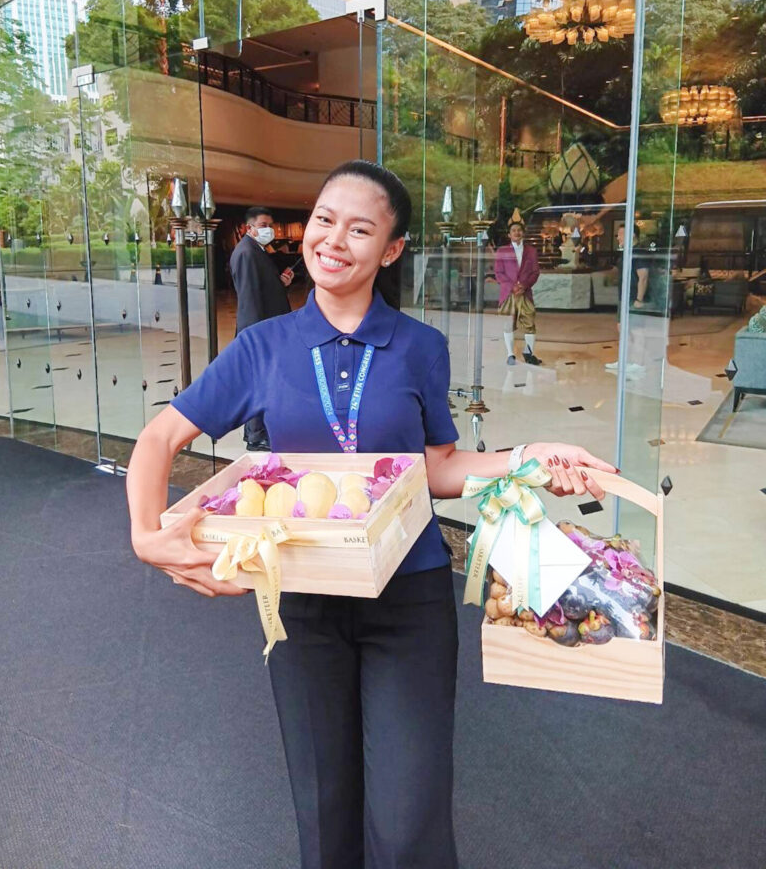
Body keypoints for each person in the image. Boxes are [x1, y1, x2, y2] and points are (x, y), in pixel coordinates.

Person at [126, 159, 616, 869]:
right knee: (323, 808)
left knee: (408, 811)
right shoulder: (265, 346)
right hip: (300, 598)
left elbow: (438, 466)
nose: (333, 239)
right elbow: (158, 439)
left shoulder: (421, 346)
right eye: (324, 220)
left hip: (408, 599)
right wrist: (147, 537)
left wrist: (528, 457)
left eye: (360, 229)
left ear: (390, 250)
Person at [229, 205, 294, 449]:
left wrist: (280, 284)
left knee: (266, 381)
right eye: (264, 225)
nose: (270, 230)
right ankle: (255, 435)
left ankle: (261, 430)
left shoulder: (257, 250)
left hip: (267, 329)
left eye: (270, 225)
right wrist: (254, 338)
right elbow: (248, 300)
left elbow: (261, 289)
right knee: (258, 381)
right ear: (249, 228)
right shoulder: (246, 253)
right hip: (259, 332)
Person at [605, 223, 650, 379]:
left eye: (621, 234)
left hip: (633, 299)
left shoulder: (638, 253)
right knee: (623, 329)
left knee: (636, 331)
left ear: (632, 235)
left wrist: (639, 299)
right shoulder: (626, 252)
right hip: (623, 298)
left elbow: (643, 276)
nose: (618, 237)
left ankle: (639, 363)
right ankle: (625, 360)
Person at [495, 217, 542, 365]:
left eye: (519, 230)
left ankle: (529, 354)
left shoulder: (531, 251)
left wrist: (525, 285)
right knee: (508, 323)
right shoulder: (502, 251)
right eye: (513, 230)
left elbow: (535, 272)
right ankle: (510, 355)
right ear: (509, 234)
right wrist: (512, 286)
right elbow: (499, 273)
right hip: (508, 294)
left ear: (523, 233)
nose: (517, 232)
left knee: (529, 322)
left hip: (525, 292)